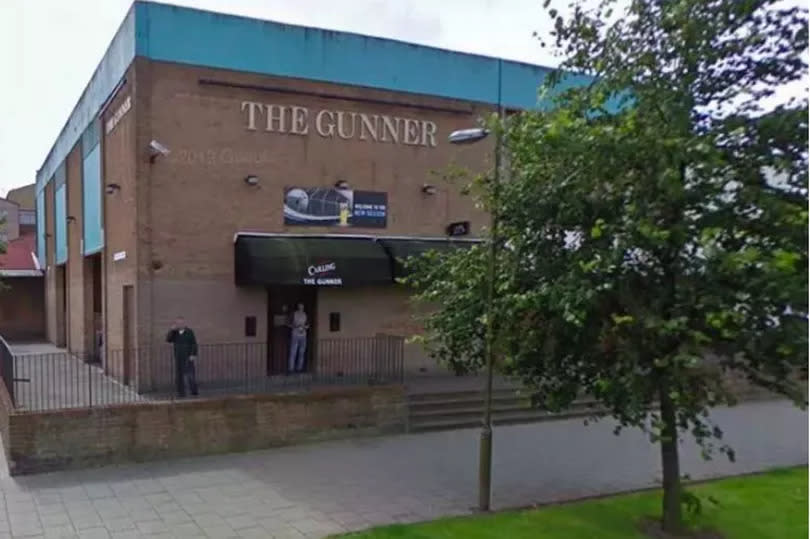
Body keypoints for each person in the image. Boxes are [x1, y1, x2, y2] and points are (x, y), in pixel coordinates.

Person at [166, 316, 199, 397]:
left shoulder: (189, 332)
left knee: (190, 375)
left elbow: (194, 343)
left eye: (181, 323)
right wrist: (171, 331)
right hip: (178, 356)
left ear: (184, 323)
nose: (180, 325)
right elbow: (168, 340)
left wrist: (193, 354)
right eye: (178, 323)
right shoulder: (175, 333)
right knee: (179, 375)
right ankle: (181, 392)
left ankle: (194, 391)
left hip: (188, 356)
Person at [288, 303, 309, 373]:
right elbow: (289, 324)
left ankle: (299, 368)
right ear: (298, 307)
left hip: (303, 335)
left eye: (302, 306)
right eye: (300, 306)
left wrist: (305, 327)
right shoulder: (294, 314)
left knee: (301, 352)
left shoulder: (305, 314)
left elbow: (308, 325)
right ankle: (291, 369)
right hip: (295, 335)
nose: (301, 308)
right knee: (293, 352)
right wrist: (295, 326)